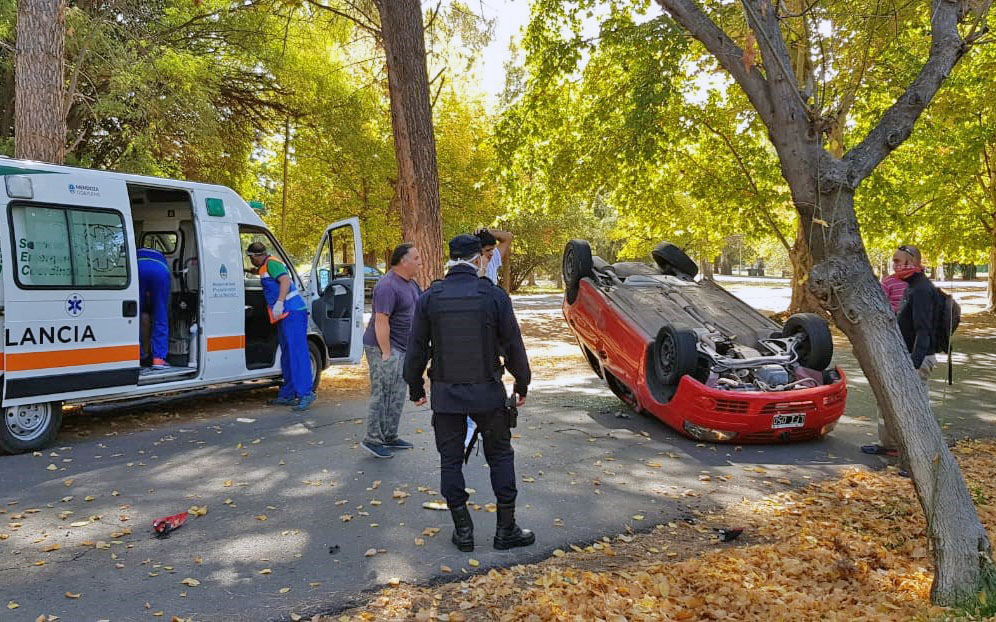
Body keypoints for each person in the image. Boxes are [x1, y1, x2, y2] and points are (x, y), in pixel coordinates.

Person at [404, 234, 534, 552]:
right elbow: (514, 344)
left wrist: (416, 386)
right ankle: (506, 530)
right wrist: (522, 383)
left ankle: (463, 531)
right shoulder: (493, 296)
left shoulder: (430, 297)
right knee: (500, 456)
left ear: (450, 260)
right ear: (478, 259)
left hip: (447, 395)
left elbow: (416, 348)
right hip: (488, 393)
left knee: (450, 461)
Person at [862, 244, 937, 459]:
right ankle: (888, 444)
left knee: (914, 407)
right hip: (896, 352)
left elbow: (924, 330)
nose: (894, 265)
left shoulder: (921, 288)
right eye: (893, 260)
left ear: (912, 262)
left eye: (898, 261)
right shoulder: (895, 282)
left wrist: (914, 363)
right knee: (886, 398)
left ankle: (919, 456)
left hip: (916, 356)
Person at [360, 244, 423, 459]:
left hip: (402, 347)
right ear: (403, 261)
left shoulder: (412, 284)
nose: (419, 262)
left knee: (397, 392)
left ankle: (390, 435)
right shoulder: (387, 285)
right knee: (382, 391)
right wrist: (386, 353)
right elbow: (381, 321)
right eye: (416, 258)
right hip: (382, 347)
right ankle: (373, 439)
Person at [246, 242, 316, 411]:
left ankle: (306, 393)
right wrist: (248, 271)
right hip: (285, 315)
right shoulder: (265, 266)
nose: (251, 261)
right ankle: (288, 393)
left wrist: (279, 302)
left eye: (250, 258)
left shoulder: (272, 263)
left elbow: (284, 281)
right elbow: (263, 274)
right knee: (287, 354)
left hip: (293, 313)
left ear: (256, 256)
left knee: (297, 353)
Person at [138, 246, 172, 369]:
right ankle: (158, 359)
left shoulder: (136, 253)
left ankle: (139, 355)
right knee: (160, 315)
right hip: (160, 271)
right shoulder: (161, 258)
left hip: (138, 267)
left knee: (134, 313)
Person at [881, 248, 913, 313]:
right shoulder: (888, 282)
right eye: (894, 261)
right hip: (894, 316)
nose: (895, 264)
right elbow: (881, 301)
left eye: (898, 261)